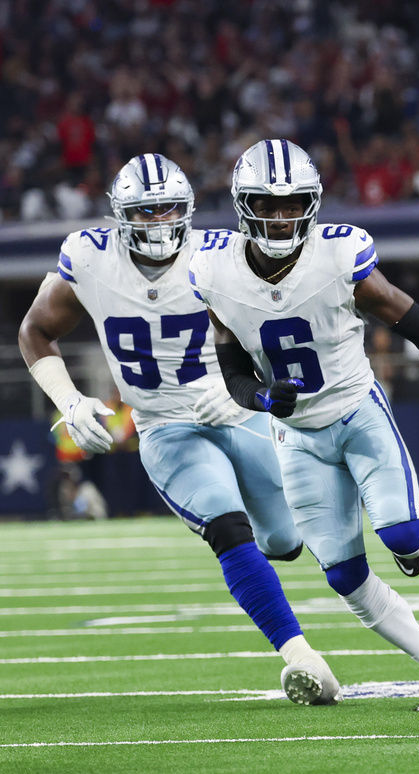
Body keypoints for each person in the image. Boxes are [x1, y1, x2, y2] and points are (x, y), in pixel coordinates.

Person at [190, 139, 419, 711]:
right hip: (298, 438)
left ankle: (407, 540)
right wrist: (259, 396)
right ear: (243, 203)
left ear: (312, 203)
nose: (281, 217)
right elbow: (231, 364)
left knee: (405, 539)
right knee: (344, 576)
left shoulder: (339, 255)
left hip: (358, 412)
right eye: (268, 203)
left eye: (293, 204)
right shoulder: (215, 270)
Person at [19, 154, 340, 705]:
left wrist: (245, 384)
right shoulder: (89, 256)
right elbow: (36, 329)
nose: (159, 221)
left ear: (189, 209)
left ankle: (276, 549)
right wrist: (69, 402)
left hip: (235, 413)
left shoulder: (222, 253)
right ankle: (300, 657)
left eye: (169, 208)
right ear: (121, 215)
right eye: (145, 211)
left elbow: (282, 325)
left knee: (285, 541)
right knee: (226, 527)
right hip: (166, 426)